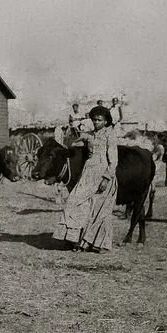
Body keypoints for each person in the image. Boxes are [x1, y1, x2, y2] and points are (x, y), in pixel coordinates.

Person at [53, 105, 119, 253]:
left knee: (99, 210)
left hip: (103, 173)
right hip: (88, 172)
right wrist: (75, 138)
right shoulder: (89, 135)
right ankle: (75, 240)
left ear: (106, 121)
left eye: (100, 120)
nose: (96, 122)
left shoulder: (110, 135)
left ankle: (98, 244)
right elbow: (72, 144)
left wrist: (106, 178)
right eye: (94, 120)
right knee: (75, 202)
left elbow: (113, 160)